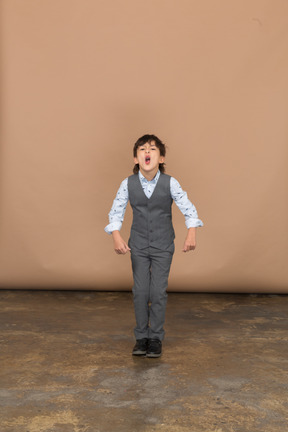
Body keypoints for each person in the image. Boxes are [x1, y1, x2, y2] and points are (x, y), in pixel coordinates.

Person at [104, 134, 203, 358]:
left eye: (152, 149)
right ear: (136, 158)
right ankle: (141, 337)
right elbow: (116, 211)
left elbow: (189, 208)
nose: (147, 152)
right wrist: (116, 236)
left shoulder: (170, 182)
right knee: (140, 291)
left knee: (157, 292)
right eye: (142, 149)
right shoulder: (127, 183)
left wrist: (191, 233)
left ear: (161, 158)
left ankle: (156, 337)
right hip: (138, 245)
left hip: (163, 245)